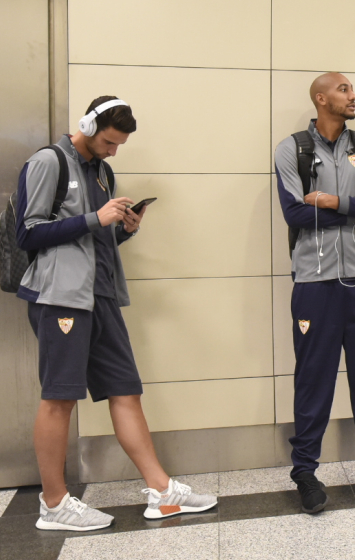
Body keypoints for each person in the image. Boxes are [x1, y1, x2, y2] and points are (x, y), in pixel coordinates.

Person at [16, 97, 217, 531]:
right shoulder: (49, 162)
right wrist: (94, 219)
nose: (113, 151)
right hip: (61, 299)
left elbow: (93, 240)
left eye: (119, 144)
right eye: (109, 141)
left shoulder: (103, 172)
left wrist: (121, 230)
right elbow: (27, 234)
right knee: (60, 398)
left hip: (101, 295)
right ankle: (53, 504)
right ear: (88, 125)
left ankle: (162, 492)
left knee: (126, 390)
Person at [274, 72, 355, 513]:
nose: (353, 96)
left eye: (351, 89)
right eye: (344, 89)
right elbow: (294, 213)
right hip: (313, 282)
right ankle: (306, 473)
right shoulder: (292, 148)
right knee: (313, 378)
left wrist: (334, 203)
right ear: (321, 98)